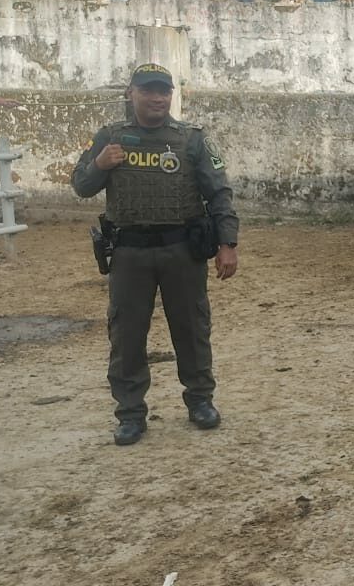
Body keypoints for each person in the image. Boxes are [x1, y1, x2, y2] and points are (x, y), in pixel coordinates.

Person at [71, 63, 239, 446]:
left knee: (192, 328)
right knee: (127, 334)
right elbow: (81, 185)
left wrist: (227, 243)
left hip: (182, 249)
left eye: (163, 90)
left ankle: (200, 401)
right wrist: (99, 165)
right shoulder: (110, 137)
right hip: (130, 252)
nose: (157, 97)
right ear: (131, 93)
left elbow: (219, 192)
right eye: (148, 90)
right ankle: (130, 413)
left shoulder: (191, 139)